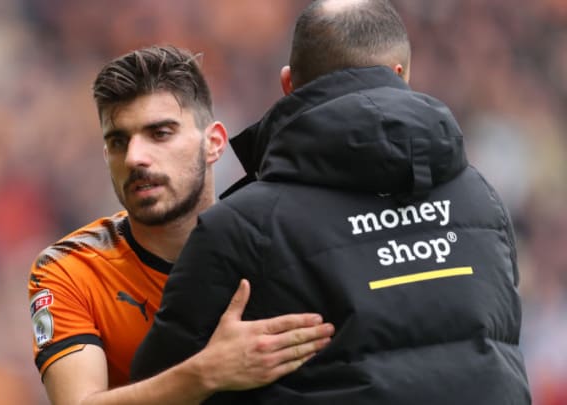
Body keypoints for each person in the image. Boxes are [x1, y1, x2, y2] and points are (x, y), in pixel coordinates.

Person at [131, 1, 531, 404]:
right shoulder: (482, 198)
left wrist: (204, 373)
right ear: (400, 76)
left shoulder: (238, 230)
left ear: (287, 84)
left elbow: (155, 386)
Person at [27, 45, 335, 405]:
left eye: (160, 133)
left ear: (214, 143)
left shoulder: (281, 243)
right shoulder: (70, 270)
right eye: (118, 141)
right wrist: (207, 372)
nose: (134, 157)